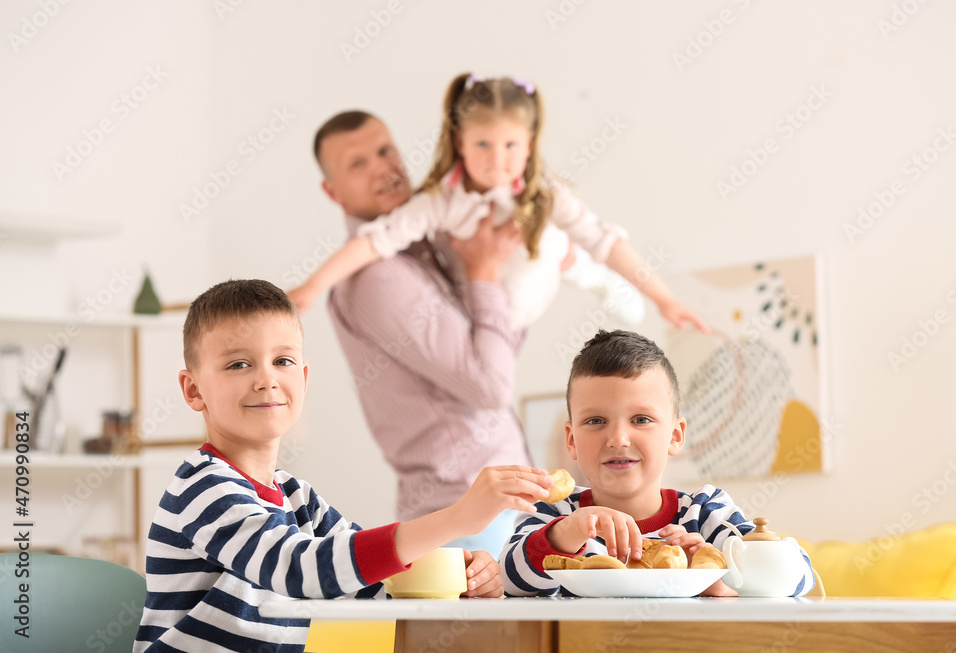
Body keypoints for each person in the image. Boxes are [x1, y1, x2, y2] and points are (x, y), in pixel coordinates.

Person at [133, 279, 553, 653]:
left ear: (304, 377)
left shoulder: (298, 499)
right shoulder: (203, 488)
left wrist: (459, 577)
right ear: (193, 390)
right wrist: (458, 519)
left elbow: (369, 582)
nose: (266, 379)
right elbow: (300, 569)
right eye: (238, 364)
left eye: (283, 361)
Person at [288, 73, 707, 333]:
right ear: (460, 143)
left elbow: (607, 241)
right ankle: (573, 262)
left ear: (529, 146)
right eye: (483, 145)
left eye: (510, 145)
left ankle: (593, 278)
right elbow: (374, 241)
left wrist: (663, 297)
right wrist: (312, 286)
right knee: (546, 237)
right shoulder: (443, 201)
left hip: (532, 284)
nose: (497, 159)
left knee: (555, 236)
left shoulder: (541, 190)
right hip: (487, 313)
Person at [291, 109, 533, 558]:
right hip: (467, 518)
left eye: (385, 150)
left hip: (488, 511)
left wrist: (498, 271)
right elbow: (491, 385)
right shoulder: (379, 277)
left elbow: (499, 352)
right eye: (357, 164)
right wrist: (484, 273)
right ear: (333, 191)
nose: (382, 167)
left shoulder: (424, 249)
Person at [500, 329, 815, 597]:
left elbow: (798, 575)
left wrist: (720, 577)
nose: (618, 438)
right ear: (571, 440)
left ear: (675, 436)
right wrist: (568, 532)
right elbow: (510, 580)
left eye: (641, 419)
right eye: (596, 420)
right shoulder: (554, 513)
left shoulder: (704, 512)